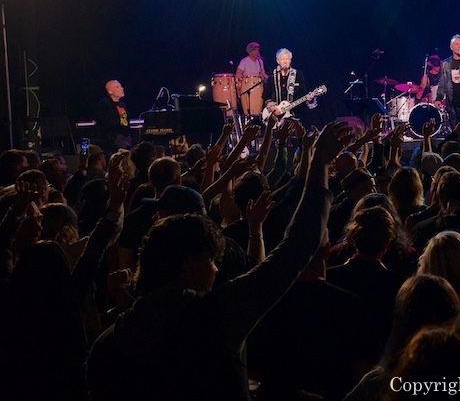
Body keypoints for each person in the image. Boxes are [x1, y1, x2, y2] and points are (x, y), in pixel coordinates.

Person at [86, 121, 353, 401]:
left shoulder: (108, 343)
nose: (216, 268)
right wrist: (319, 163)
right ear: (191, 263)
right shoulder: (218, 314)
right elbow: (298, 246)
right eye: (212, 260)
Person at [265, 47, 318, 120]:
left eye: (287, 59)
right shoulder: (272, 75)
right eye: (283, 59)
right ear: (278, 61)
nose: (285, 61)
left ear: (290, 60)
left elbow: (303, 92)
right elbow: (266, 94)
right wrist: (272, 107)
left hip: (294, 115)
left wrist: (309, 98)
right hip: (275, 117)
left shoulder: (298, 74)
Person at [94, 80, 131, 153]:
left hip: (124, 135)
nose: (121, 88)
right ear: (110, 91)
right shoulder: (104, 104)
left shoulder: (121, 103)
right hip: (113, 136)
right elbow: (107, 123)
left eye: (121, 86)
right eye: (117, 87)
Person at [236, 42, 268, 115]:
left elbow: (263, 74)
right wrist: (247, 78)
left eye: (258, 50)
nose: (257, 52)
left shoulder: (260, 61)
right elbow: (238, 74)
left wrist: (270, 78)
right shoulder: (244, 61)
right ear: (250, 52)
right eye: (255, 50)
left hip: (258, 86)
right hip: (247, 86)